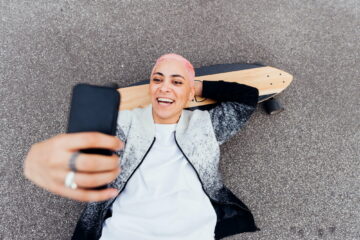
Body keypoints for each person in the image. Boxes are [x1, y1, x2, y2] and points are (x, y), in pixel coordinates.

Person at [23, 53, 260, 240]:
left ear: (189, 93)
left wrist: (197, 87)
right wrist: (55, 163)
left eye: (176, 81)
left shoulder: (207, 125)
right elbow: (86, 152)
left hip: (192, 233)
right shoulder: (124, 122)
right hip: (124, 233)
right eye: (157, 79)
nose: (164, 87)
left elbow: (248, 97)